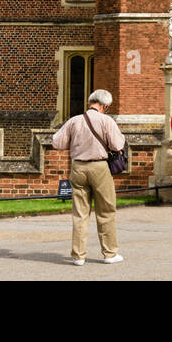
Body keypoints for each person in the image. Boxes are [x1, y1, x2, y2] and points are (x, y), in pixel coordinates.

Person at [51, 88, 125, 265]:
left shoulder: (74, 121)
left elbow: (57, 142)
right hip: (99, 166)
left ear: (90, 102)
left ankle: (78, 255)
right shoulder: (106, 121)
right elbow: (117, 144)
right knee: (106, 210)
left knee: (80, 213)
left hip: (77, 166)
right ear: (105, 106)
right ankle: (109, 253)